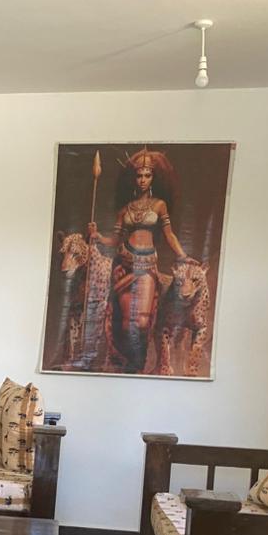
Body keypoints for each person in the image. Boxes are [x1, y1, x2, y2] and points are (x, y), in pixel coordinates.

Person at [87, 148, 193, 372]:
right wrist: (97, 236)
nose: (143, 180)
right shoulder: (125, 210)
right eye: (139, 176)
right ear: (134, 179)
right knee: (126, 324)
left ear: (153, 177)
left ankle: (138, 362)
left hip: (146, 267)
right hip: (124, 265)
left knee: (142, 322)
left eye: (147, 175)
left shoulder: (159, 205)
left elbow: (169, 235)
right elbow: (115, 240)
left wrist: (183, 255)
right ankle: (129, 367)